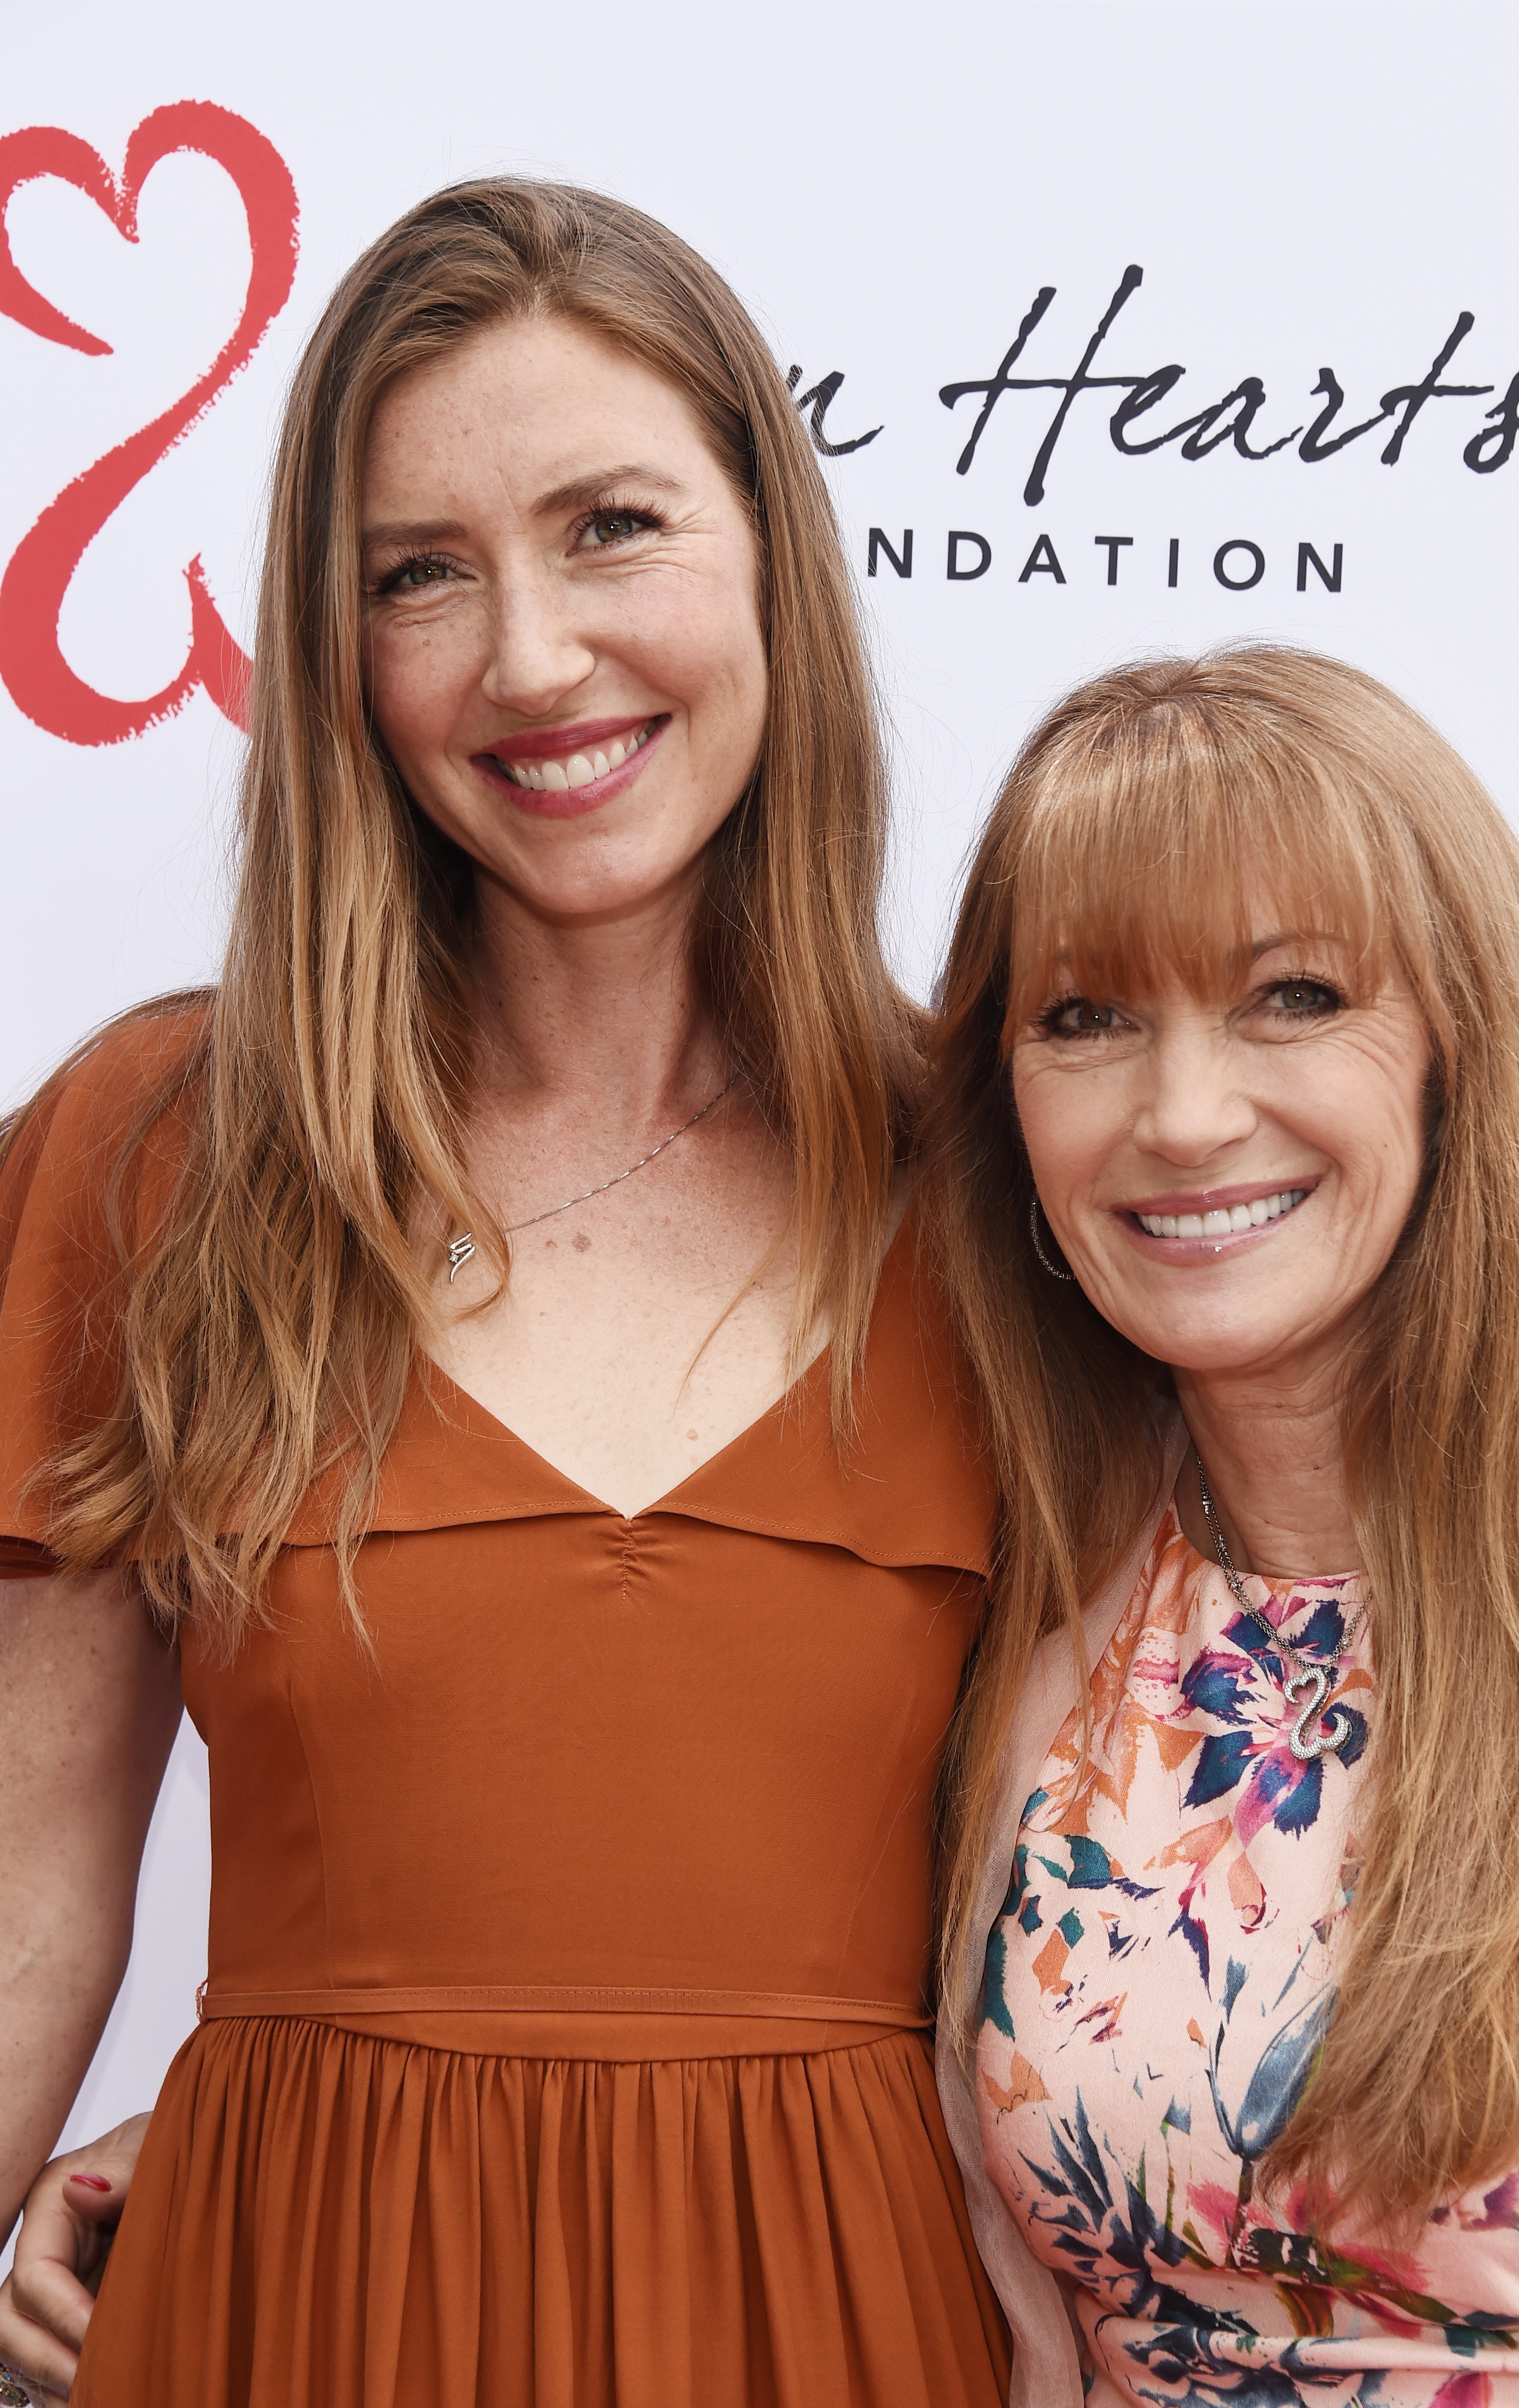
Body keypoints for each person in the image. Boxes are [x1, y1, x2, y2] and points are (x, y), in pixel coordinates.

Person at [0, 181, 1011, 2407]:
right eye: (417, 576)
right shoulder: (160, 1145)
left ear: (773, 553)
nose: (529, 656)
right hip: (290, 2312)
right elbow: (29, 1902)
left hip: (866, 2331)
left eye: (613, 525)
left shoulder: (1014, 1172)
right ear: (340, 651)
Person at [919, 649, 1519, 2403]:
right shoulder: (1035, 1630)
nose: (1184, 1116)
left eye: (1291, 996)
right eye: (1087, 1017)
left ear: (1451, 1057)